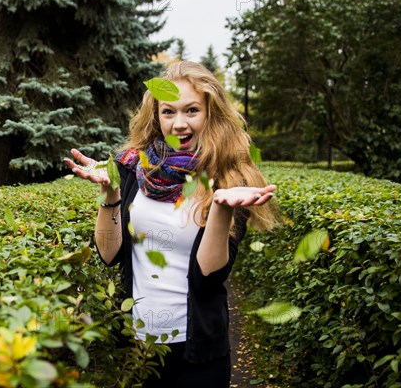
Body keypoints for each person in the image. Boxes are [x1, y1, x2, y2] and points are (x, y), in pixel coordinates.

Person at [65, 61, 279, 387]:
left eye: (191, 110)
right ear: (157, 115)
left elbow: (209, 278)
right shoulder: (131, 168)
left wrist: (220, 209)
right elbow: (110, 255)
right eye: (168, 112)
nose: (179, 123)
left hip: (199, 354)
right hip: (136, 348)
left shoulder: (230, 179)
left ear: (210, 113)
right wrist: (109, 193)